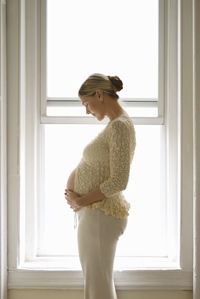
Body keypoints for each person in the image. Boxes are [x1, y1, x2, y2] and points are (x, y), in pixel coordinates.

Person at [65, 73, 136, 299]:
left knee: (98, 288)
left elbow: (119, 180)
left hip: (100, 216)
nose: (87, 110)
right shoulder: (115, 126)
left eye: (87, 103)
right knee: (98, 285)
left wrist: (80, 200)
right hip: (96, 215)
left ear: (99, 94)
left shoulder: (120, 127)